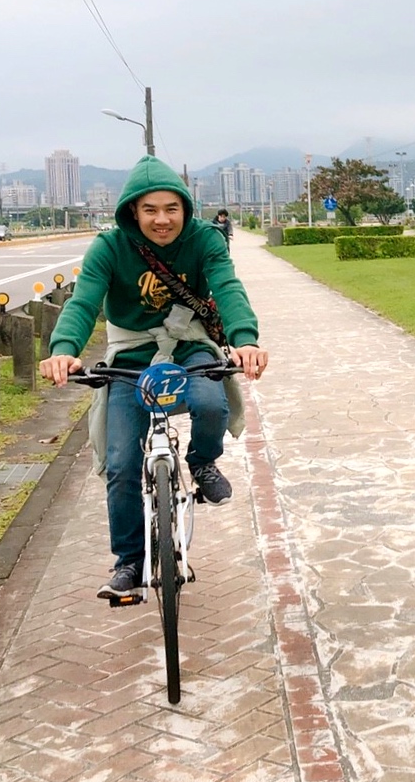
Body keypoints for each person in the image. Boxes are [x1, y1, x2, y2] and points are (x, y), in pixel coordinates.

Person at [39, 156, 269, 599]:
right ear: (132, 212)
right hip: (131, 354)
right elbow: (84, 300)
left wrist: (246, 339)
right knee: (123, 462)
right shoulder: (108, 247)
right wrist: (63, 350)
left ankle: (201, 461)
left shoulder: (204, 240)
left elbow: (227, 286)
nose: (162, 220)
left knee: (209, 403)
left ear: (185, 208)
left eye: (171, 209)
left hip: (189, 345)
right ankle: (128, 561)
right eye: (149, 210)